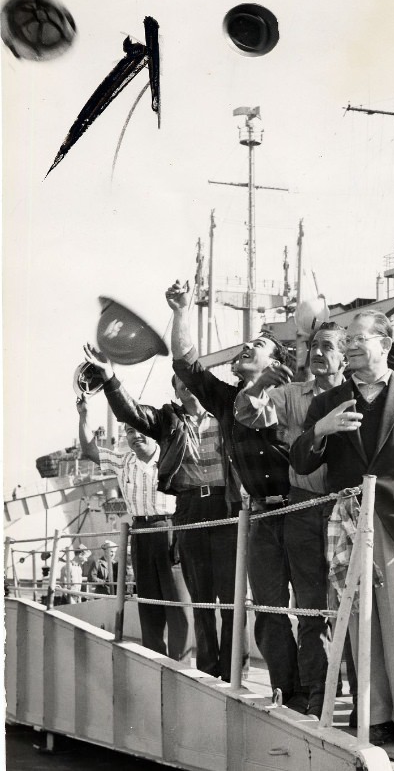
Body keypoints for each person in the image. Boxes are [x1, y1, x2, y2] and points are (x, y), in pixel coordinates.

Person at [291, 309, 394, 748]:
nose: (350, 346)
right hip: (349, 522)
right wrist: (321, 430)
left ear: (385, 344)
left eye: (359, 338)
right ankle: (375, 715)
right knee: (360, 621)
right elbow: (301, 461)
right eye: (348, 340)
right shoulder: (328, 402)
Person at [164, 281, 300, 702]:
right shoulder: (227, 400)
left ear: (276, 362)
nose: (246, 345)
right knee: (270, 612)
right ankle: (287, 693)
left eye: (257, 344)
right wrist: (181, 311)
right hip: (259, 516)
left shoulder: (297, 394)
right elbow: (187, 364)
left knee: (316, 610)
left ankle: (317, 693)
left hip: (303, 510)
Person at [85, 342, 246, 683]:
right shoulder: (169, 421)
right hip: (189, 508)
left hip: (226, 505)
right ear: (175, 392)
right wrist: (110, 378)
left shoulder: (227, 413)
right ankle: (208, 671)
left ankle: (234, 670)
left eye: (191, 384)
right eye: (181, 386)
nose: (188, 390)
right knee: (200, 599)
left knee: (232, 597)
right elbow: (131, 412)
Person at [233, 321, 349, 717]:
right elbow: (249, 413)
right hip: (303, 507)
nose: (317, 352)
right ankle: (317, 694)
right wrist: (259, 385)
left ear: (345, 356)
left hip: (348, 507)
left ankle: (359, 697)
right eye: (313, 345)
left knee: (353, 605)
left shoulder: (359, 395)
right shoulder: (290, 394)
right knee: (312, 608)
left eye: (327, 346)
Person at [78, 400, 188, 659]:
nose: (135, 435)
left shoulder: (172, 456)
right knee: (148, 603)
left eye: (141, 429)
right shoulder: (122, 462)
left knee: (176, 602)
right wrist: (83, 415)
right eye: (129, 431)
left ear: (153, 430)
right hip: (139, 532)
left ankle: (180, 665)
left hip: (170, 529)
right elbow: (90, 450)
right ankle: (154, 660)